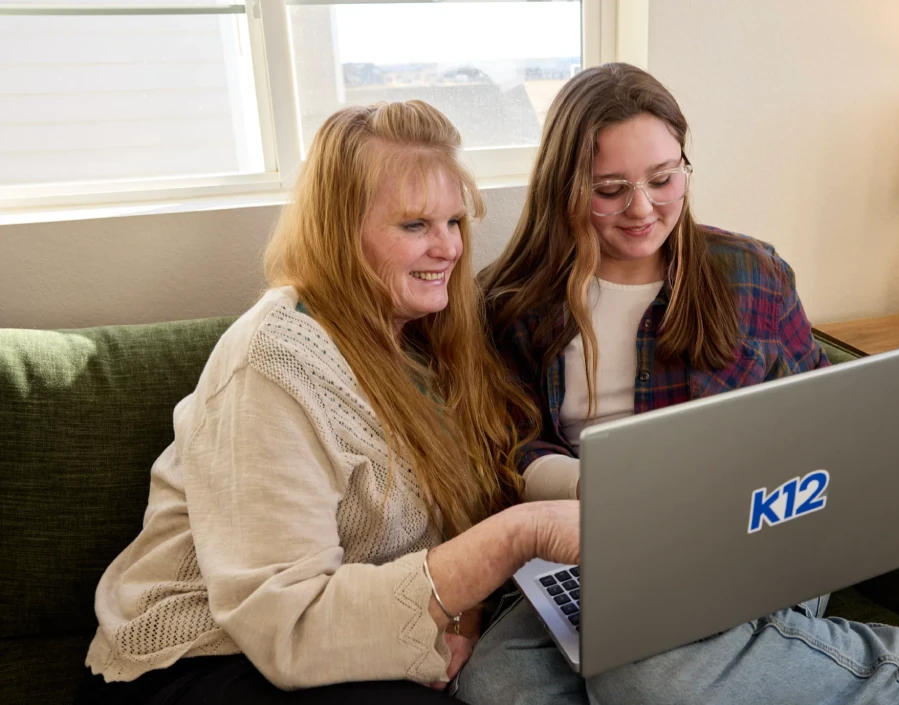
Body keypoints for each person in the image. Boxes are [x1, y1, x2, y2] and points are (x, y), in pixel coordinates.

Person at [458, 63, 899, 705]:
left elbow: (827, 416)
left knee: (645, 679)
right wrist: (600, 488)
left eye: (663, 179)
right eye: (610, 189)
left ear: (684, 167)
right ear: (564, 185)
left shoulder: (750, 273)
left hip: (754, 533)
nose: (642, 209)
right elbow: (509, 447)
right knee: (493, 686)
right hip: (593, 548)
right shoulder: (512, 302)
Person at [74, 101, 581, 705]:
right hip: (207, 658)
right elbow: (286, 623)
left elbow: (455, 516)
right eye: (415, 225)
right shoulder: (271, 365)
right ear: (340, 232)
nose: (447, 248)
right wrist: (520, 534)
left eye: (454, 222)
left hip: (336, 643)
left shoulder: (422, 336)